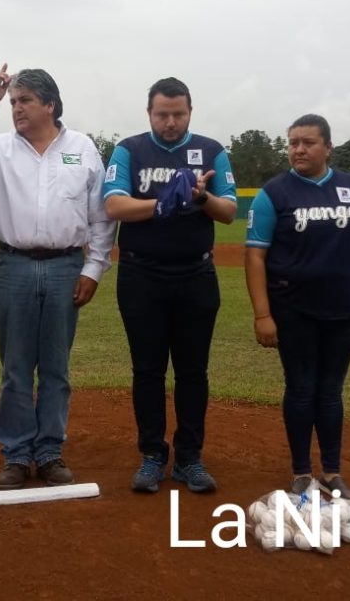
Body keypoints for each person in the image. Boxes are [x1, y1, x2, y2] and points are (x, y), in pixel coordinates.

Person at [0, 64, 115, 490]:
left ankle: (50, 451)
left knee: (57, 368)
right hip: (14, 265)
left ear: (50, 105)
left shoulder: (82, 147)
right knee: (16, 367)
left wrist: (93, 268)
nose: (16, 109)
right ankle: (18, 454)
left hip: (65, 267)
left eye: (24, 101)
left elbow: (100, 216)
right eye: (12, 102)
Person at [103, 77, 237, 494]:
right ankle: (151, 455)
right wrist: (162, 204)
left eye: (178, 114)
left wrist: (200, 199)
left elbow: (230, 210)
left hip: (195, 276)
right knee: (147, 370)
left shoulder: (213, 151)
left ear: (190, 112)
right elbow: (113, 204)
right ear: (149, 114)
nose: (171, 122)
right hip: (141, 275)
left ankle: (190, 458)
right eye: (162, 114)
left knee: (193, 372)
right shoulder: (129, 149)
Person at [243, 113, 350, 502]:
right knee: (302, 388)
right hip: (294, 310)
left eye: (307, 142)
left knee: (331, 391)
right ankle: (302, 473)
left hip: (342, 309)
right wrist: (263, 313)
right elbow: (255, 257)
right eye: (292, 143)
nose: (298, 149)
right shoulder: (274, 193)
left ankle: (333, 472)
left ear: (328, 147)